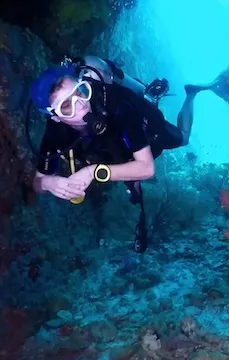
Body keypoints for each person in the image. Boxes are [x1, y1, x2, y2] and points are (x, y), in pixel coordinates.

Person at [29, 56, 216, 253]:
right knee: (127, 174)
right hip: (112, 152)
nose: (82, 104)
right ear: (55, 117)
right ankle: (140, 88)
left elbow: (146, 167)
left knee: (183, 138)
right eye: (67, 106)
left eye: (81, 91)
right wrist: (50, 183)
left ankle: (189, 95)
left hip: (145, 125)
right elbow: (38, 182)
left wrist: (92, 172)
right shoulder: (56, 133)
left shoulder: (115, 104)